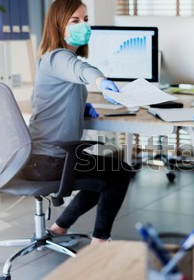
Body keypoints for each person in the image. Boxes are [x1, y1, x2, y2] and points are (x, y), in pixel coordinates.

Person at [23, 0, 132, 245]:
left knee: (103, 174)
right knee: (120, 171)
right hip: (52, 160)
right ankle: (100, 243)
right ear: (58, 26)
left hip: (41, 158)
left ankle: (59, 227)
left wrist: (81, 106)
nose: (83, 25)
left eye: (85, 19)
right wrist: (101, 82)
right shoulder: (58, 58)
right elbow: (80, 69)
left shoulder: (49, 61)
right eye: (75, 20)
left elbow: (49, 99)